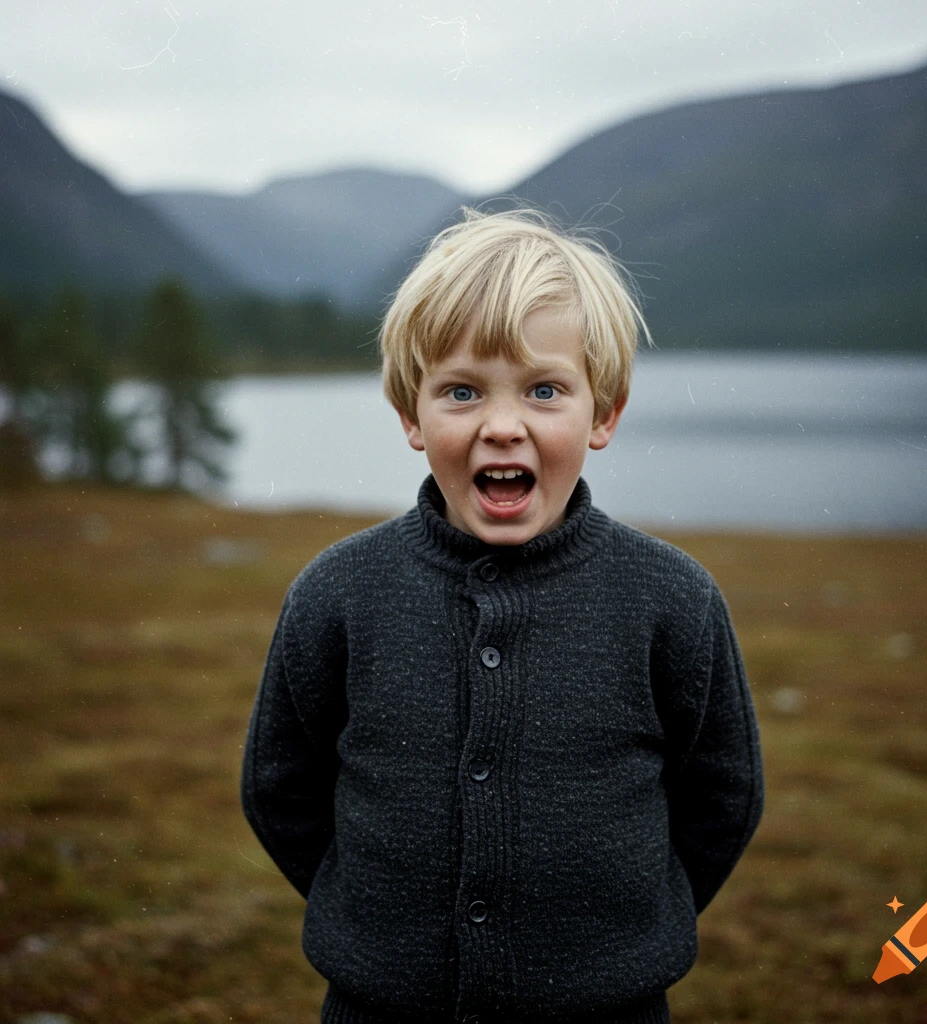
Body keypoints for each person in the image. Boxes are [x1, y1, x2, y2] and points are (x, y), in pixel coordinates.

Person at [241, 206, 765, 1024]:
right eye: (461, 391)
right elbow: (282, 787)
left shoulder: (672, 599)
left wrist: (625, 928)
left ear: (604, 414)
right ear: (411, 416)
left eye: (545, 390)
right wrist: (374, 916)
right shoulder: (337, 594)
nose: (502, 426)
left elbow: (722, 796)